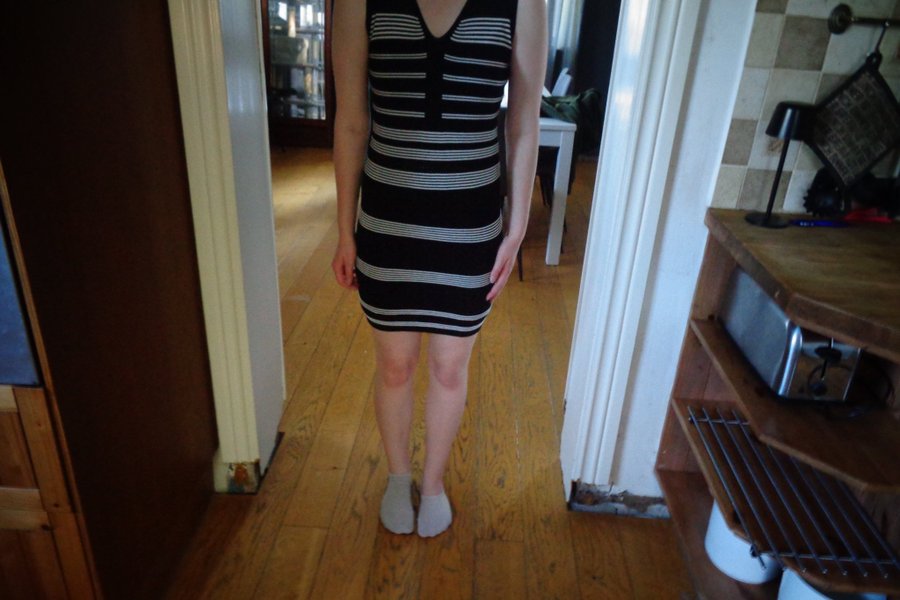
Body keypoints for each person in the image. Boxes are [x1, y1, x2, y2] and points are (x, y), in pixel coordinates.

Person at [331, 0, 547, 537]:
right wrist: (344, 230)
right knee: (394, 366)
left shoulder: (525, 3)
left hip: (470, 226)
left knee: (450, 368)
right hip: (388, 224)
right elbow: (352, 121)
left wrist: (517, 225)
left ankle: (432, 484)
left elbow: (523, 123)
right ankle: (397, 477)